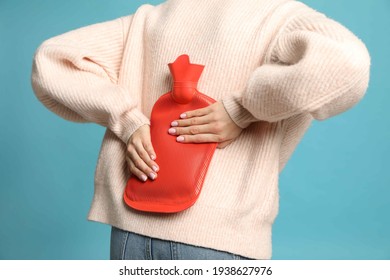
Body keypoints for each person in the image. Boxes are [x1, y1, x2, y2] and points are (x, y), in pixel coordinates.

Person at [31, 0, 370, 260]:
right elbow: (347, 65)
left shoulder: (151, 18)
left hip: (129, 233)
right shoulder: (281, 19)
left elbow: (51, 60)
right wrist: (242, 110)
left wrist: (128, 121)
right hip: (219, 239)